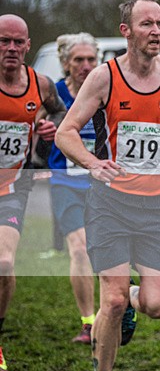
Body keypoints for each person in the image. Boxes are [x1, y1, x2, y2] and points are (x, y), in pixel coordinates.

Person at [55, 0, 160, 371]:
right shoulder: (103, 77)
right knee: (113, 300)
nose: (156, 31)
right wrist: (92, 163)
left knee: (157, 305)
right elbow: (66, 132)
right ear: (126, 31)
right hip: (110, 205)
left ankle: (131, 298)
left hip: (156, 207)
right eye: (147, 24)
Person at [0, 14, 65, 371]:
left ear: (27, 45)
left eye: (17, 42)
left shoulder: (40, 84)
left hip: (12, 185)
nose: (11, 48)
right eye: (3, 41)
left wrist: (51, 127)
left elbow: (61, 112)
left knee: (4, 263)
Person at [47, 33, 100, 344]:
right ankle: (88, 322)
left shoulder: (105, 89)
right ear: (66, 63)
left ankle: (114, 312)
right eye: (79, 60)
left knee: (104, 249)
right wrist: (42, 131)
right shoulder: (53, 94)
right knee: (79, 248)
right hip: (65, 182)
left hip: (101, 184)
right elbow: (30, 124)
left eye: (91, 59)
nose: (86, 65)